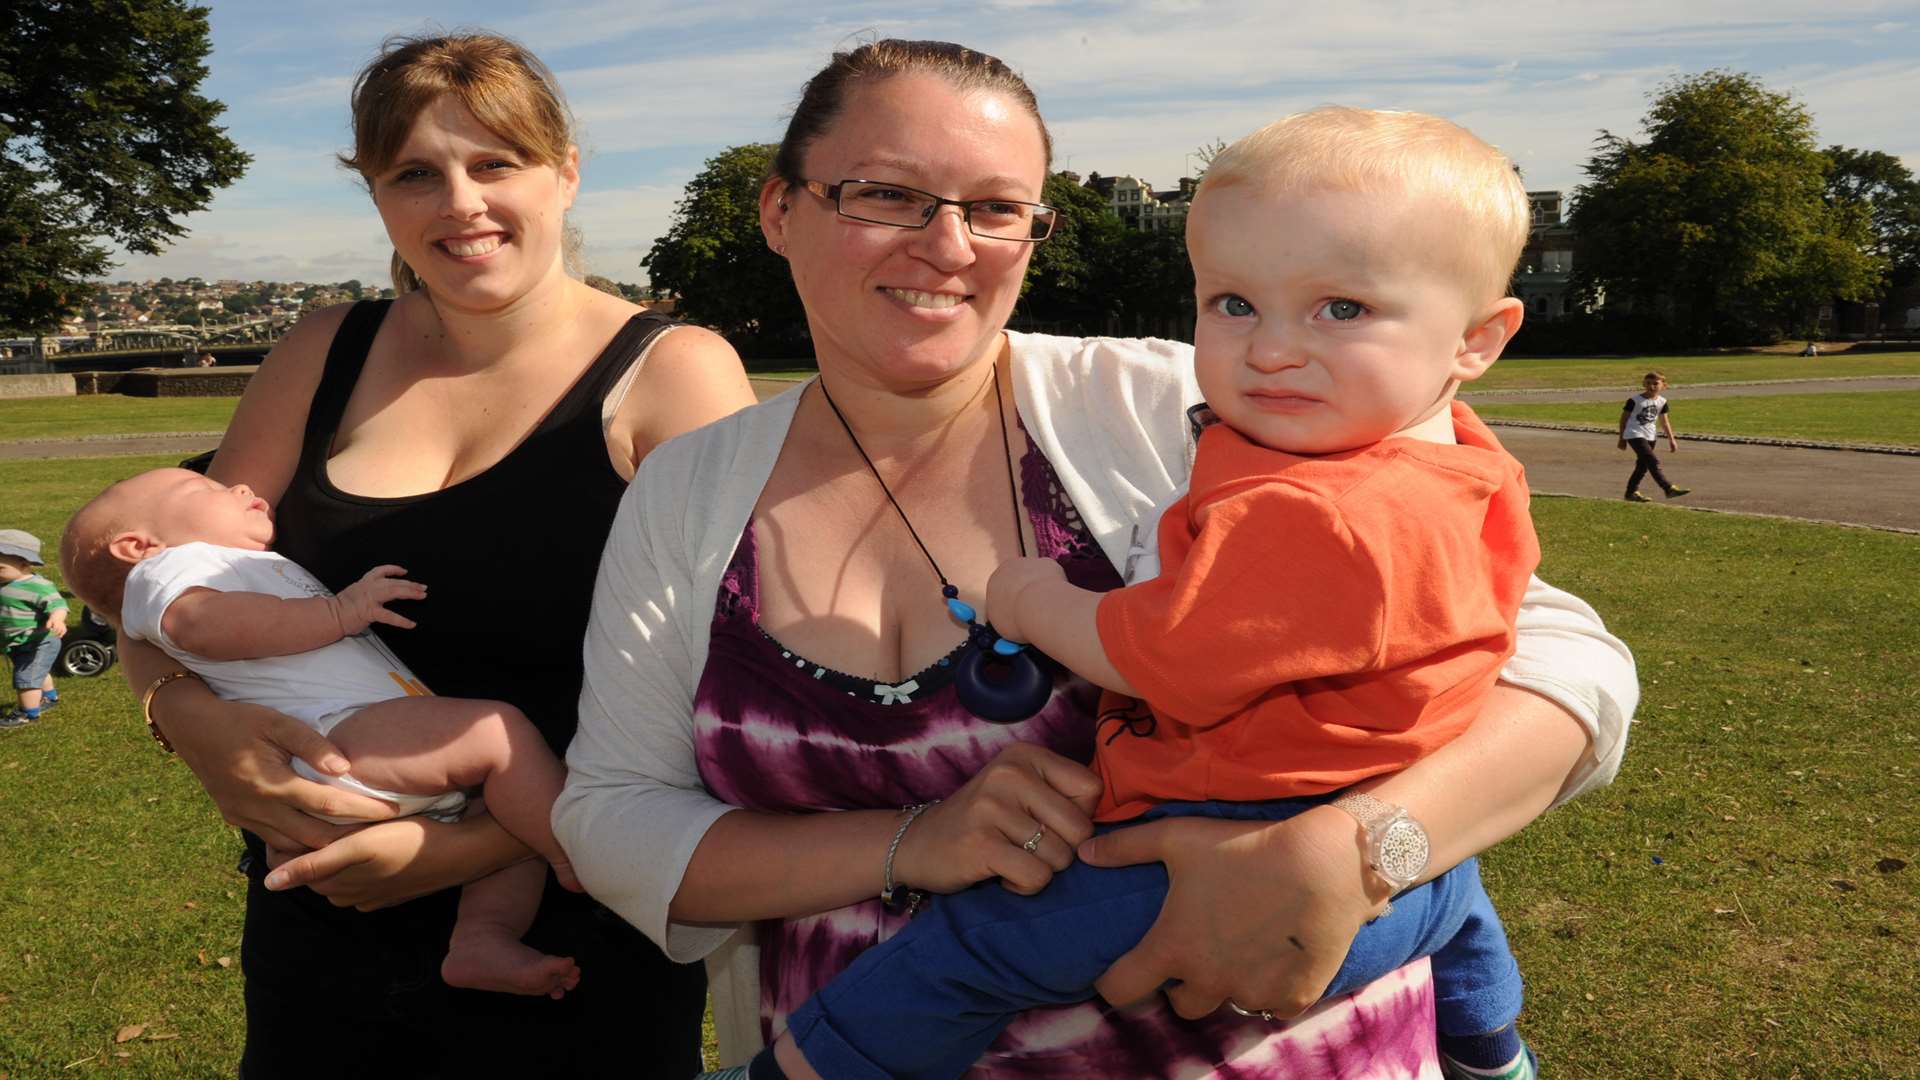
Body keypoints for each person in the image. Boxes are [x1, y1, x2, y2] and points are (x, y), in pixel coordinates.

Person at [555, 39, 1636, 1078]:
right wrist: (912, 843)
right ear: (781, 210)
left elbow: (1560, 659)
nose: (948, 245)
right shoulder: (688, 491)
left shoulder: (1212, 402)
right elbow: (614, 817)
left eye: (994, 208)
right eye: (885, 193)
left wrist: (1361, 849)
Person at [741, 106, 1546, 1080]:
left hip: (1237, 852)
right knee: (1460, 909)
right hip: (1412, 857)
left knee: (971, 951)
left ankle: (799, 1071)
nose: (1273, 349)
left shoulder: (1308, 504)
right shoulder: (1467, 462)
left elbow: (1169, 659)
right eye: (1234, 304)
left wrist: (1033, 599)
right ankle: (1491, 1050)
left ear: (1477, 339)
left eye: (1342, 309)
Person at [118, 32, 756, 1078]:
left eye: (495, 162)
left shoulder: (672, 376)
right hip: (317, 924)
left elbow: (733, 689)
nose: (460, 203)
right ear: (377, 195)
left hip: (570, 939)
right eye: (416, 172)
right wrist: (197, 731)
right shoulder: (322, 351)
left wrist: (464, 849)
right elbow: (155, 595)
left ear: (565, 173)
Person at [63, 467, 588, 999]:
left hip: (356, 745)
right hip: (337, 736)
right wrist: (341, 610)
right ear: (136, 544)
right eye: (205, 488)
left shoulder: (234, 564)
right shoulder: (169, 568)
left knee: (499, 803)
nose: (242, 487)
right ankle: (577, 854)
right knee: (498, 733)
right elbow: (196, 624)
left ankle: (482, 939)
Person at [1, 529, 67, 729]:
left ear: (23, 564)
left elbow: (58, 604)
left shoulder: (38, 586)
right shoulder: (5, 582)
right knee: (37, 671)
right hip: (17, 641)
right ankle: (49, 698)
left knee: (26, 678)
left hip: (39, 642)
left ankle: (27, 714)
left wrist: (58, 619)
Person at [1618, 371, 1691, 502]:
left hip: (1650, 435)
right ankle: (1668, 488)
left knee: (1643, 466)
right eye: (1648, 383)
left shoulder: (1662, 402)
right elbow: (1623, 420)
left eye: (1655, 383)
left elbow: (1664, 422)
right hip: (1634, 433)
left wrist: (1672, 440)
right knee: (1652, 461)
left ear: (1664, 385)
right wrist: (1622, 438)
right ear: (1643, 384)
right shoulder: (1634, 401)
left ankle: (1631, 493)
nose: (1651, 386)